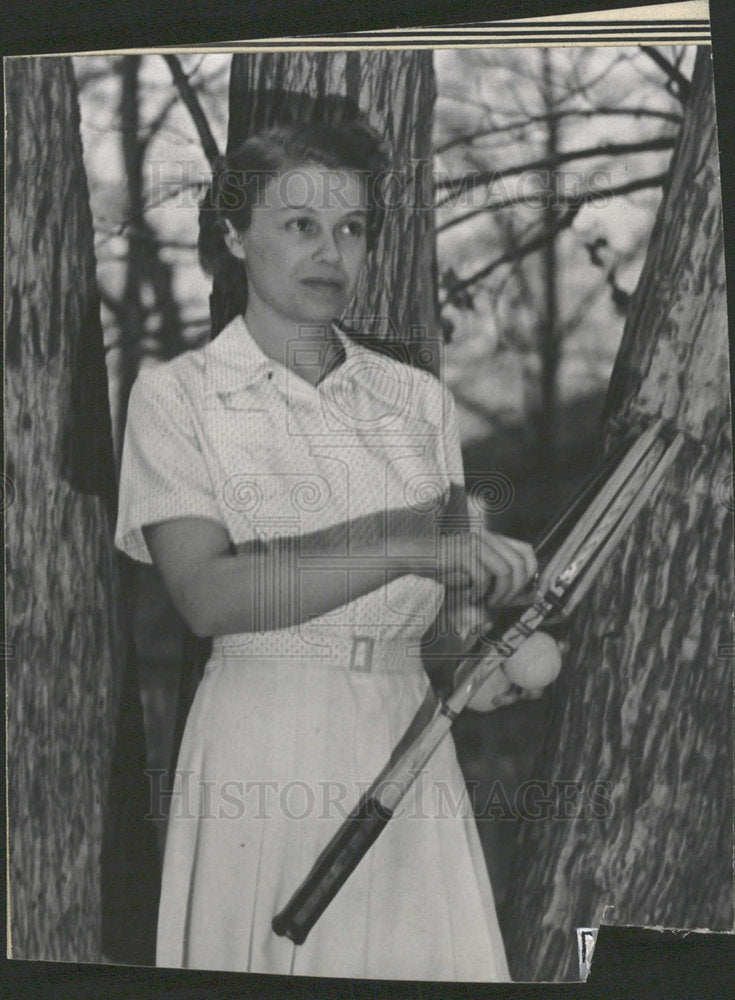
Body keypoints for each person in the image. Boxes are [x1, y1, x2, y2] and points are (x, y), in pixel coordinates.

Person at [115, 119, 538, 980]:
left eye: (351, 229)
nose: (330, 253)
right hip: (262, 749)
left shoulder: (416, 402)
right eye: (300, 225)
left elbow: (440, 627)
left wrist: (481, 663)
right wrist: (401, 546)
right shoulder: (177, 397)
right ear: (236, 235)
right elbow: (207, 597)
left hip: (408, 746)